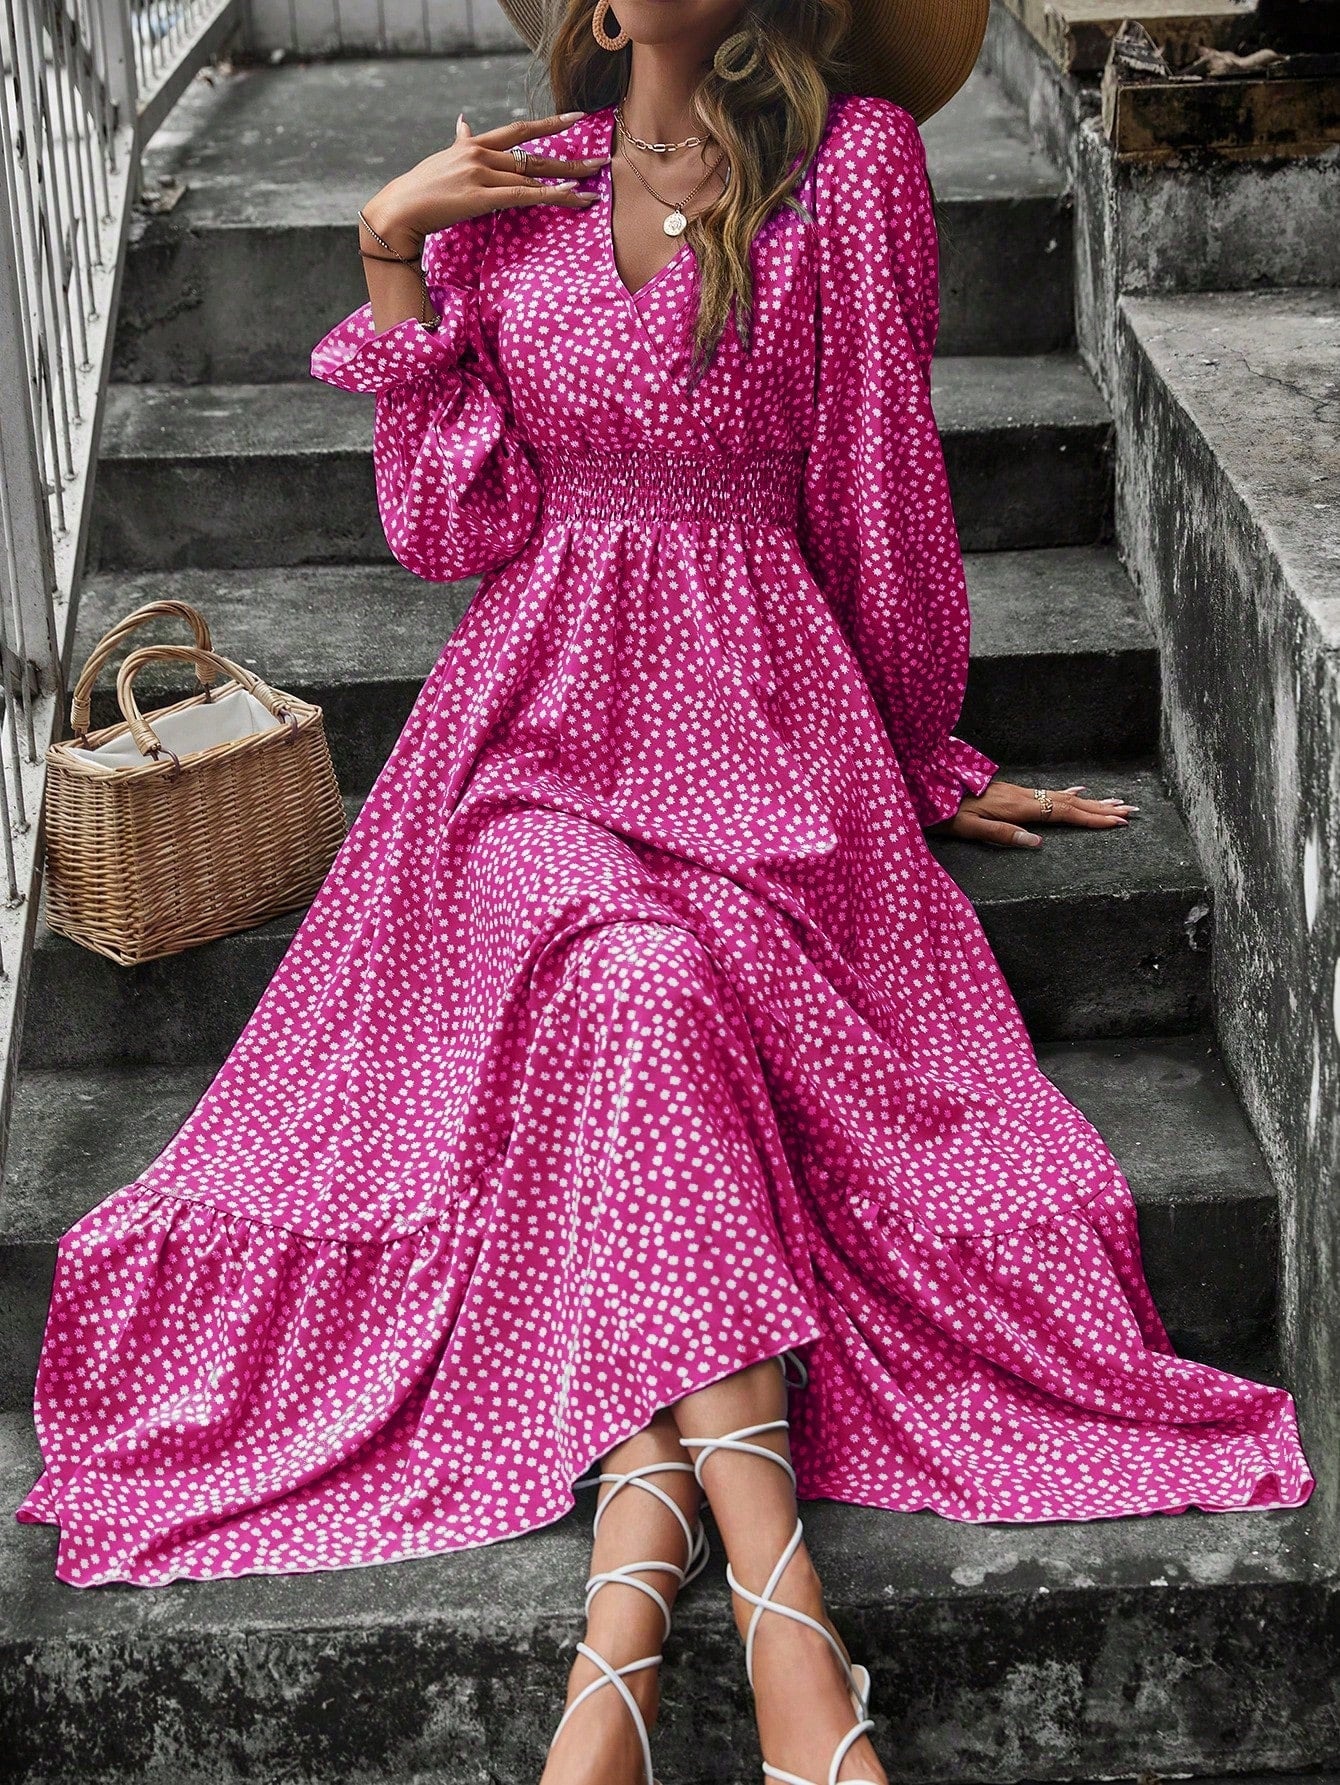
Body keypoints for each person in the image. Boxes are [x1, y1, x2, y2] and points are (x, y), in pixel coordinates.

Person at [17, 2, 1315, 1783]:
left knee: (650, 1011)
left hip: (763, 734)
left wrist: (919, 750)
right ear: (602, 11)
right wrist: (390, 250)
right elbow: (451, 534)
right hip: (530, 741)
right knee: (629, 969)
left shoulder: (853, 167)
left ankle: (623, 1632)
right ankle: (788, 1631)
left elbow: (880, 483)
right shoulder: (517, 191)